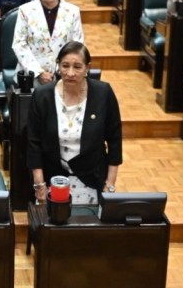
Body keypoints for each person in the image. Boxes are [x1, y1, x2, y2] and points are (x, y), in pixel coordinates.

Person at [28, 41, 121, 204]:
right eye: (65, 66)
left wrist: (110, 185)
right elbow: (33, 143)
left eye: (77, 67)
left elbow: (115, 141)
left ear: (87, 68)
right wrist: (39, 184)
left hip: (92, 178)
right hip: (53, 180)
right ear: (58, 66)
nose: (70, 73)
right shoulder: (42, 96)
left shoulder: (103, 93)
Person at [12, 0, 84, 84]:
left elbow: (77, 45)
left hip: (64, 73)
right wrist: (38, 72)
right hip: (30, 74)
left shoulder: (73, 11)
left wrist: (63, 70)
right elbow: (19, 44)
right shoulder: (25, 11)